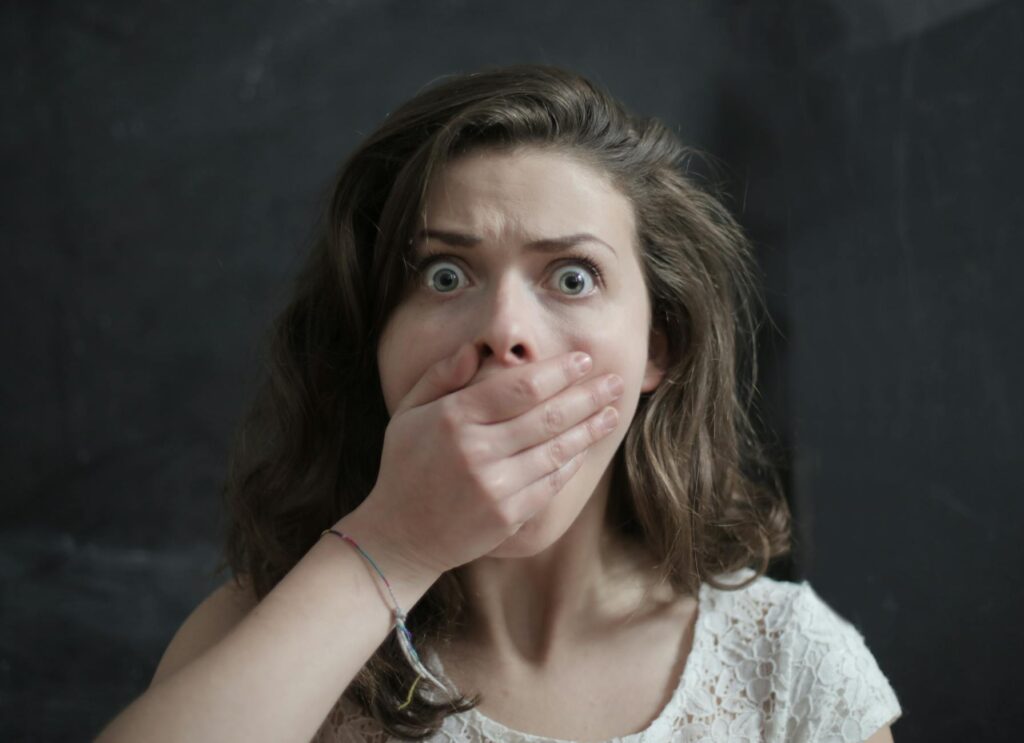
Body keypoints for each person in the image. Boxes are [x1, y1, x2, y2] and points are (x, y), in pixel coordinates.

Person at [96, 64, 902, 743]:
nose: (504, 331)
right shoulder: (259, 635)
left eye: (573, 277)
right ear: (375, 338)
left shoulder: (789, 667)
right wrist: (393, 545)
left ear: (658, 345)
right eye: (445, 275)